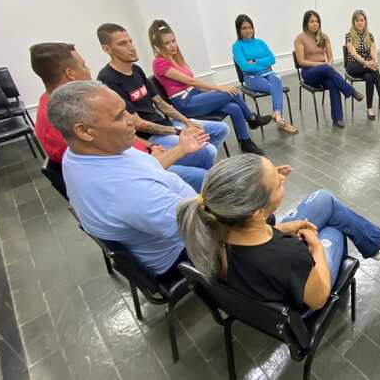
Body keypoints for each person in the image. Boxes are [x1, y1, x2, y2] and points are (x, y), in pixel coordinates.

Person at [176, 155, 380, 311]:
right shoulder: (289, 255)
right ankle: (374, 240)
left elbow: (251, 239)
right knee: (334, 229)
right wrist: (317, 246)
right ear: (257, 213)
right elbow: (318, 299)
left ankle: (376, 239)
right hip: (296, 300)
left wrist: (279, 229)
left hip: (261, 272)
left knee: (324, 198)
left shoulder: (211, 229)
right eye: (277, 183)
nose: (282, 178)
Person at [48, 80, 209, 283]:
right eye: (118, 117)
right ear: (85, 131)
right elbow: (200, 228)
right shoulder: (125, 190)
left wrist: (182, 149)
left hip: (176, 219)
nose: (132, 121)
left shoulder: (84, 153)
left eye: (126, 111)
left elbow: (146, 169)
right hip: (183, 252)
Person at [29, 42, 210, 191]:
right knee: (203, 171)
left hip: (146, 156)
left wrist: (151, 145)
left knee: (203, 154)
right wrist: (170, 146)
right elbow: (119, 174)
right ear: (70, 73)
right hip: (138, 173)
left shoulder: (66, 105)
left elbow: (125, 133)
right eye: (83, 65)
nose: (88, 69)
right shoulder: (64, 120)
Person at [95, 23, 237, 172]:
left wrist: (187, 122)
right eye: (123, 44)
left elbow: (160, 103)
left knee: (221, 129)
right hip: (150, 137)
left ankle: (195, 163)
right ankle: (200, 166)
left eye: (130, 41)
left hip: (167, 125)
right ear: (107, 49)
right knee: (208, 150)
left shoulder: (136, 70)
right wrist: (178, 131)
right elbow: (138, 124)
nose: (131, 47)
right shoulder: (108, 79)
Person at [148, 19, 272, 153]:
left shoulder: (176, 59)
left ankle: (245, 142)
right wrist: (219, 88)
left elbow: (195, 86)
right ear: (158, 45)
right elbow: (191, 82)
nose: (172, 46)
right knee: (234, 93)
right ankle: (252, 118)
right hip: (185, 104)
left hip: (195, 96)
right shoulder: (159, 63)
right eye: (167, 43)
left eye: (173, 41)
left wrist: (220, 89)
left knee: (234, 107)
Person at [294, 10, 364, 129]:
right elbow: (301, 61)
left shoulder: (324, 37)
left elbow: (330, 58)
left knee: (333, 82)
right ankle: (350, 91)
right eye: (311, 21)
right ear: (306, 23)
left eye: (317, 21)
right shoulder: (300, 39)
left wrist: (328, 64)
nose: (315, 24)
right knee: (326, 69)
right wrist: (320, 65)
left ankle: (337, 119)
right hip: (309, 73)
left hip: (325, 71)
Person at [231, 14, 298, 134]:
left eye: (250, 27)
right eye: (244, 28)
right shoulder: (237, 46)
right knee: (275, 87)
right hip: (251, 77)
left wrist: (256, 61)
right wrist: (262, 64)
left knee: (277, 78)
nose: (248, 31)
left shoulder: (260, 42)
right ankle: (280, 119)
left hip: (268, 73)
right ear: (238, 30)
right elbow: (245, 66)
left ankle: (277, 114)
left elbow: (272, 59)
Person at [345, 9, 380, 120]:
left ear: (365, 21)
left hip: (367, 68)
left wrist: (375, 62)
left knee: (369, 77)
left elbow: (373, 50)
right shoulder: (349, 35)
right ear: (353, 22)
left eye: (362, 20)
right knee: (372, 70)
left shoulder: (369, 35)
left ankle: (369, 109)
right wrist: (367, 63)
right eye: (357, 21)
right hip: (353, 66)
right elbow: (353, 53)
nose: (359, 22)